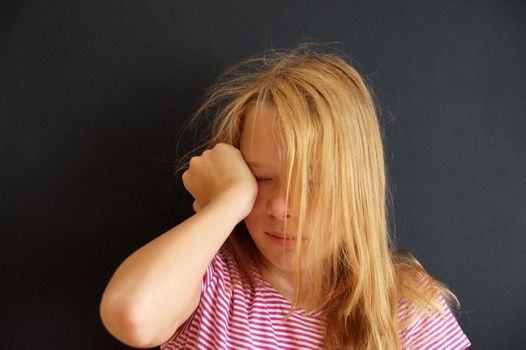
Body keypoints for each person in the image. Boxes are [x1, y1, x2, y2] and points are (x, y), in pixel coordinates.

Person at [99, 41, 472, 349]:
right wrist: (227, 202)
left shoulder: (404, 305)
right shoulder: (209, 281)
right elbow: (131, 314)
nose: (280, 207)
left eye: (312, 182)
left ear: (357, 186)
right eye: (260, 178)